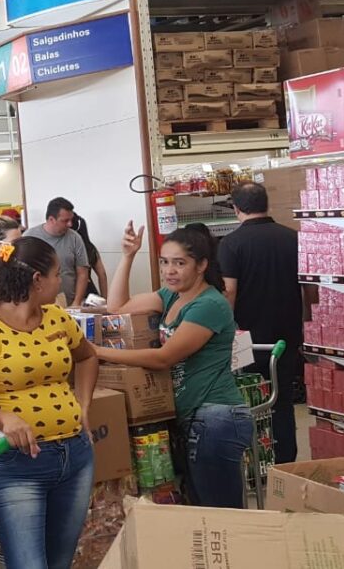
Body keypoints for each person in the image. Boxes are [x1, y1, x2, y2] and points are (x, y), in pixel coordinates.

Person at [0, 236, 98, 569]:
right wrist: (6, 419)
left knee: (60, 561)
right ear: (37, 280)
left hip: (75, 457)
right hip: (17, 467)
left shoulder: (57, 317)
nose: (61, 281)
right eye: (57, 273)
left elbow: (88, 358)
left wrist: (83, 406)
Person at [99, 224, 250, 508]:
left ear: (202, 265)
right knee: (202, 510)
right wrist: (129, 255)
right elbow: (116, 308)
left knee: (223, 515)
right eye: (165, 262)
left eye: (180, 263)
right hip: (193, 419)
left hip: (215, 418)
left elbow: (163, 358)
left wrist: (97, 352)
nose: (170, 270)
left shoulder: (209, 305)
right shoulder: (171, 296)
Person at [217, 182, 302, 464]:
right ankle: (286, 463)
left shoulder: (231, 244)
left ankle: (257, 462)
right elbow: (310, 290)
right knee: (283, 401)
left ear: (236, 208)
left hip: (249, 339)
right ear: (267, 204)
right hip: (288, 335)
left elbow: (229, 293)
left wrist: (224, 335)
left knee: (252, 400)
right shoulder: (293, 238)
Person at [24, 197, 90, 306]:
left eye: (71, 220)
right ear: (51, 219)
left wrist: (76, 302)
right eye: (65, 221)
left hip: (69, 305)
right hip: (37, 306)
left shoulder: (75, 238)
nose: (70, 224)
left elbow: (82, 273)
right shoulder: (29, 237)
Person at [71, 213, 108, 298]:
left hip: (72, 292)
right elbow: (102, 274)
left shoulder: (68, 247)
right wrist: (105, 299)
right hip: (89, 292)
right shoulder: (90, 248)